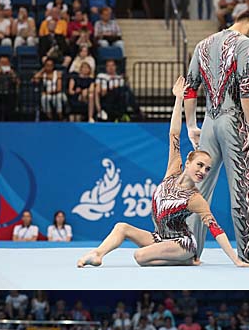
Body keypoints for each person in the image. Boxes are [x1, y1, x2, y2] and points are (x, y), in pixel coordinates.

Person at [78, 78, 239, 268]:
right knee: (121, 227)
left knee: (140, 256)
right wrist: (179, 99)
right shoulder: (173, 168)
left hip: (181, 244)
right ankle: (97, 254)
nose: (203, 171)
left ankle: (187, 259)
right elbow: (174, 134)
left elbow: (216, 229)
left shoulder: (195, 198)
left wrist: (235, 259)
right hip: (159, 237)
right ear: (187, 162)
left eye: (207, 169)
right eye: (200, 165)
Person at [183, 18, 249, 262]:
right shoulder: (245, 43)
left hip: (208, 121)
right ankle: (247, 256)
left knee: (197, 191)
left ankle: (188, 252)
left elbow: (190, 86)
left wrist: (190, 125)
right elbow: (247, 85)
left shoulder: (203, 45)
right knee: (240, 190)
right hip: (233, 121)